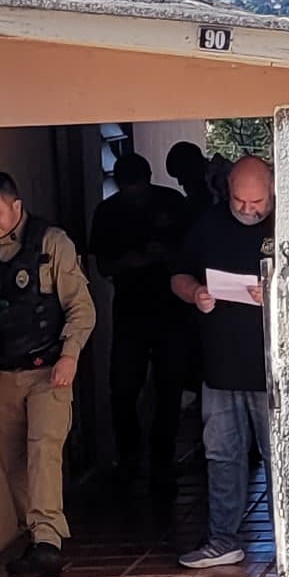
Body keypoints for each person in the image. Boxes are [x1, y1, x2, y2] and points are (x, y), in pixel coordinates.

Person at [0, 169, 93, 577]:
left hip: (48, 371)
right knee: (13, 460)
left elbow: (81, 308)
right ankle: (35, 536)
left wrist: (70, 356)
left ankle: (49, 540)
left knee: (42, 451)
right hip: (2, 376)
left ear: (16, 206)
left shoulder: (52, 245)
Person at [172, 154, 275, 571]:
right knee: (222, 456)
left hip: (272, 370)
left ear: (271, 193)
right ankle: (222, 540)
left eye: (257, 203)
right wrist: (196, 293)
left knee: (280, 456)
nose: (249, 210)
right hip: (219, 367)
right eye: (240, 202)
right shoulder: (208, 225)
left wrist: (275, 291)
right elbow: (177, 276)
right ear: (228, 189)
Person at [84, 149, 191, 509]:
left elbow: (192, 253)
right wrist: (129, 261)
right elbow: (102, 266)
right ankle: (129, 462)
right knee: (123, 387)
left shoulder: (171, 203)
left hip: (172, 309)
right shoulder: (108, 212)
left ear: (148, 180)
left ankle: (163, 465)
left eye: (139, 189)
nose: (134, 195)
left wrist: (164, 255)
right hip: (130, 310)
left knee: (169, 387)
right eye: (128, 189)